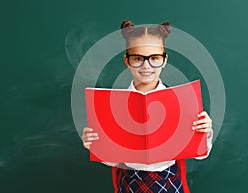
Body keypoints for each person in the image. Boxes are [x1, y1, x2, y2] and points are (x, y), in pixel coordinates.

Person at [82, 20, 213, 193]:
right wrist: (94, 143)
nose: (146, 66)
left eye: (154, 58)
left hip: (168, 183)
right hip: (130, 183)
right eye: (138, 58)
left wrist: (206, 132)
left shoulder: (182, 102)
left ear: (164, 60)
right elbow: (111, 161)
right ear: (127, 61)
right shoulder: (113, 105)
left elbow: (200, 154)